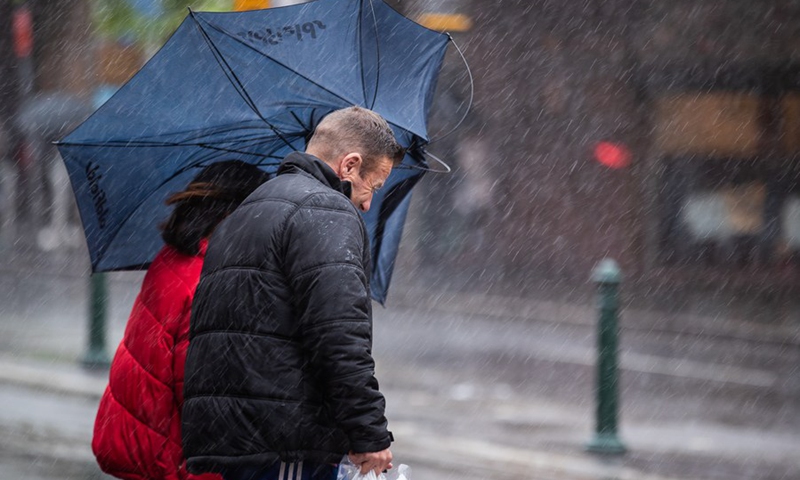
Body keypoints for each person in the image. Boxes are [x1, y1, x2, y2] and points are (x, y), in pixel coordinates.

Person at [181, 106, 405, 480]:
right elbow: (338, 335)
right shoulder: (325, 210)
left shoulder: (249, 209)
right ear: (350, 165)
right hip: (288, 439)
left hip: (240, 436)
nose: (367, 204)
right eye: (373, 187)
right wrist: (368, 431)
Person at [92, 161, 271, 480]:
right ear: (232, 214)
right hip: (175, 461)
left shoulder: (174, 259)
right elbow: (203, 397)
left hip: (143, 443)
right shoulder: (211, 280)